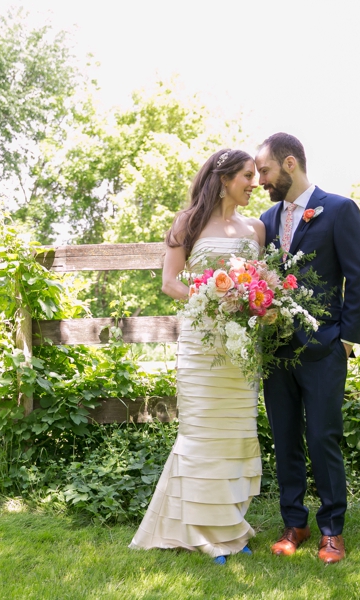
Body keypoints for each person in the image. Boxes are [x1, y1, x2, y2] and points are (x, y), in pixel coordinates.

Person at [129, 148, 265, 565]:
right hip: (200, 343)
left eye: (256, 175)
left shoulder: (257, 229)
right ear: (224, 178)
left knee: (235, 435)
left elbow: (261, 283)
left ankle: (228, 527)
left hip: (242, 349)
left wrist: (256, 300)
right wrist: (212, 298)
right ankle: (204, 534)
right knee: (203, 435)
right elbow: (170, 283)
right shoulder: (187, 222)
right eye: (246, 175)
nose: (254, 183)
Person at [255, 133, 360, 564]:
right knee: (284, 437)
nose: (260, 180)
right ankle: (294, 523)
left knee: (323, 437)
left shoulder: (340, 209)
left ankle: (331, 531)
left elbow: (359, 277)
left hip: (324, 349)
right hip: (276, 350)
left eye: (264, 171)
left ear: (290, 164)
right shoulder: (265, 220)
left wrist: (345, 340)